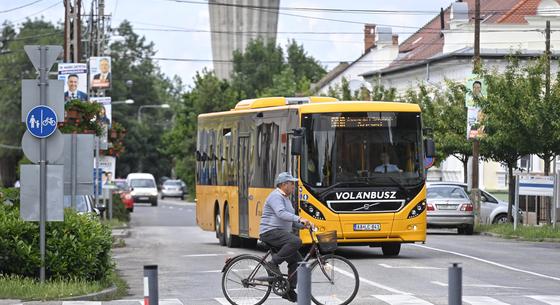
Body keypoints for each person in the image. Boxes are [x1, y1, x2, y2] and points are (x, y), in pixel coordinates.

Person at [259, 172, 312, 303]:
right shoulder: (276, 196)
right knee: (296, 241)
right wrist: (300, 218)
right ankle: (273, 263)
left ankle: (289, 291)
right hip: (270, 232)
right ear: (283, 185)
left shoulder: (286, 199)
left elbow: (291, 221)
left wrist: (303, 225)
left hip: (280, 234)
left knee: (298, 262)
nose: (293, 186)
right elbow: (281, 213)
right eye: (291, 184)